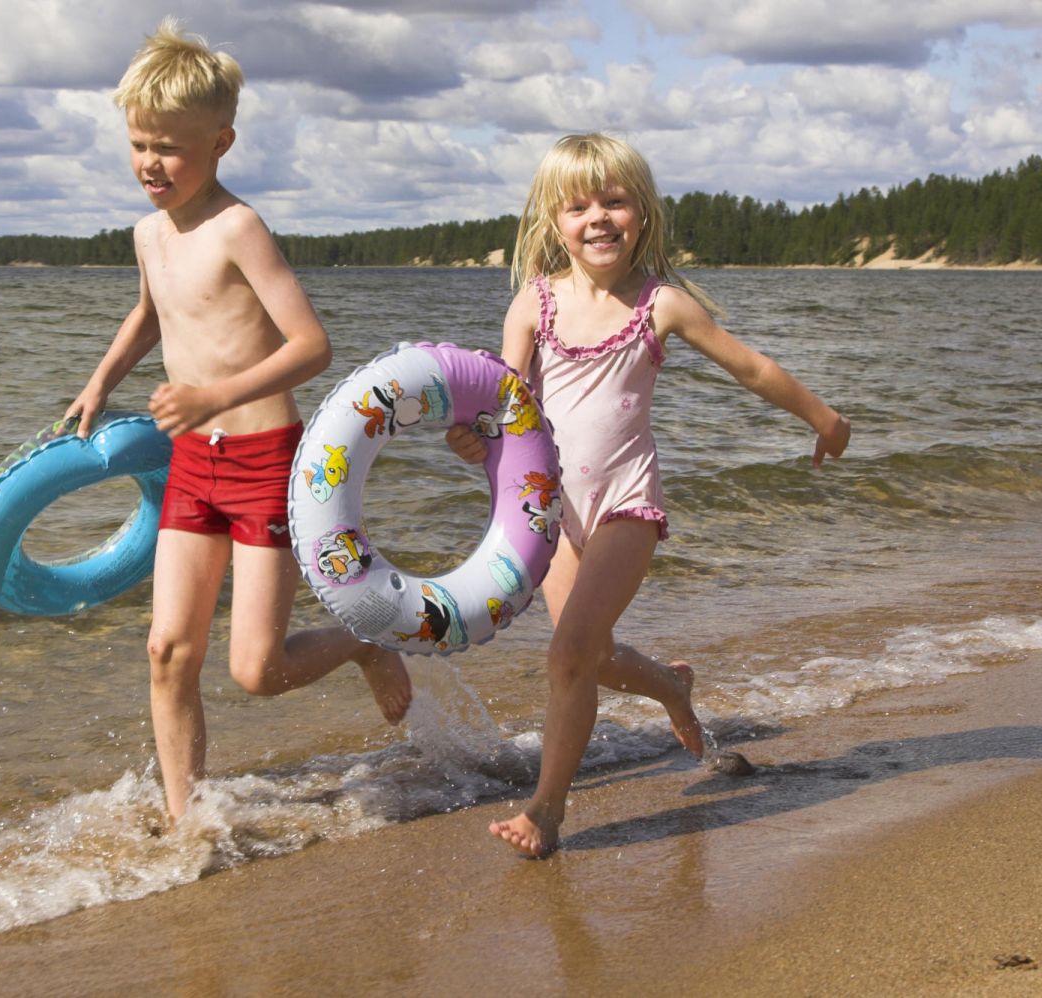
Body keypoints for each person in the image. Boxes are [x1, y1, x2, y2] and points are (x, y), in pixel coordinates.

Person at [447, 133, 850, 857]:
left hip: (626, 504)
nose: (598, 218)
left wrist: (823, 417)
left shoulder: (661, 303)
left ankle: (546, 808)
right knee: (589, 657)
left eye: (615, 201)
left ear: (643, 213)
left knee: (568, 656)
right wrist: (474, 440)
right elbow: (504, 407)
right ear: (552, 221)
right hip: (552, 513)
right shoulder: (531, 307)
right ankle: (670, 685)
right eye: (578, 206)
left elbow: (751, 368)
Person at [65, 20, 411, 821]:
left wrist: (215, 396)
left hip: (264, 461)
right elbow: (153, 314)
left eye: (171, 148)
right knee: (166, 651)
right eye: (139, 144)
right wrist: (100, 381)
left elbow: (312, 345)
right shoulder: (149, 233)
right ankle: (187, 820)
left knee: (255, 671)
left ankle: (364, 641)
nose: (151, 163)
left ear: (221, 142)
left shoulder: (238, 227)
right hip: (193, 463)